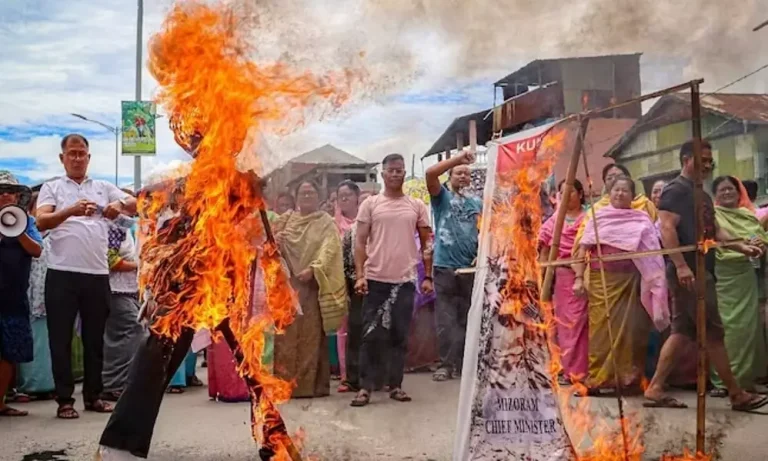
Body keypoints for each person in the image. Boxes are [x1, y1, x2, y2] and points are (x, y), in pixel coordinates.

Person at [643, 140, 768, 412]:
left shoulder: (700, 193)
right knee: (713, 333)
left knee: (681, 332)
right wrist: (681, 266)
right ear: (687, 160)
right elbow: (666, 229)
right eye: (703, 160)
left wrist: (740, 245)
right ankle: (736, 394)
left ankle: (654, 388)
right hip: (691, 273)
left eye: (711, 161)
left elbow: (711, 232)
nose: (709, 166)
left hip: (701, 270)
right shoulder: (676, 191)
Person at [36, 134, 137, 419]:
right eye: (72, 153)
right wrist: (71, 210)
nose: (77, 158)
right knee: (61, 339)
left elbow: (135, 205)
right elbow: (41, 220)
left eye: (82, 153)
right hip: (62, 274)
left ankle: (94, 396)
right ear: (62, 158)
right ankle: (65, 400)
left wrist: (121, 205)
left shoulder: (103, 187)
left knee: (95, 339)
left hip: (96, 274)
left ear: (89, 158)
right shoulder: (52, 187)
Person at [572, 176, 669, 393]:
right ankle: (598, 378)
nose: (619, 194)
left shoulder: (641, 220)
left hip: (631, 282)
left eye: (625, 190)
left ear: (632, 196)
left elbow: (652, 255)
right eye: (616, 190)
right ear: (609, 193)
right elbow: (582, 251)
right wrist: (578, 278)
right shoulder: (598, 218)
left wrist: (655, 281)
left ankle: (628, 379)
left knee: (631, 332)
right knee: (601, 331)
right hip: (602, 282)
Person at [351, 153, 433, 407]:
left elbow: (427, 243)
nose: (396, 174)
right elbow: (360, 242)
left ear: (404, 173)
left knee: (399, 335)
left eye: (400, 170)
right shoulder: (371, 204)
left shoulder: (416, 205)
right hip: (375, 278)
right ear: (383, 173)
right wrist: (361, 275)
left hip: (405, 280)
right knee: (370, 334)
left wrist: (427, 276)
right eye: (391, 170)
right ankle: (365, 388)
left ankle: (395, 385)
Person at [271, 180, 347, 398]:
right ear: (295, 197)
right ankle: (283, 386)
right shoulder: (285, 221)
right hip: (287, 288)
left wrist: (314, 269)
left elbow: (330, 249)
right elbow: (268, 247)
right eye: (303, 193)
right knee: (285, 336)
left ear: (318, 196)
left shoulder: (325, 222)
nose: (307, 196)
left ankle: (310, 387)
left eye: (311, 192)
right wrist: (276, 241)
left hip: (312, 287)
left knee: (310, 336)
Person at [424, 150, 482, 382]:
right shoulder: (442, 197)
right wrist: (459, 158)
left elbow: (486, 230)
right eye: (458, 173)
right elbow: (430, 173)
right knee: (446, 320)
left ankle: (465, 365)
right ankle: (446, 365)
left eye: (467, 174)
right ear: (449, 176)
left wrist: (482, 254)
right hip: (445, 267)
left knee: (469, 318)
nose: (463, 176)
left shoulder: (477, 202)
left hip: (471, 269)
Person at [708, 175, 768, 396]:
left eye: (731, 190)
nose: (727, 193)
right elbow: (715, 242)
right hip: (724, 278)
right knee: (728, 328)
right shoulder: (713, 216)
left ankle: (746, 379)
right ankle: (723, 381)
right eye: (722, 190)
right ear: (716, 195)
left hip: (747, 276)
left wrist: (761, 245)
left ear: (739, 192)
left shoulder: (747, 216)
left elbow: (762, 239)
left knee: (749, 329)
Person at [0, 171, 43, 417]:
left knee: (10, 352)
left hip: (14, 295)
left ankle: (1, 403)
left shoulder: (27, 221)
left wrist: (17, 230)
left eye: (9, 191)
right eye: (0, 191)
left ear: (17, 196)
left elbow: (36, 250)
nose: (5, 195)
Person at [539, 179, 588, 385]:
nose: (568, 196)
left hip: (587, 275)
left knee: (585, 324)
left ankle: (585, 370)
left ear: (580, 194)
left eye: (572, 192)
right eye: (562, 193)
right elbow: (543, 252)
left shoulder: (589, 218)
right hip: (562, 277)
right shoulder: (553, 221)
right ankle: (570, 371)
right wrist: (541, 281)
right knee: (567, 325)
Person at [101, 198, 146, 402]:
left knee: (134, 331)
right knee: (129, 328)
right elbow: (111, 260)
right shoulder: (113, 227)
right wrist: (139, 265)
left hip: (129, 289)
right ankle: (113, 384)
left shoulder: (126, 228)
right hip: (115, 289)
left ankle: (122, 382)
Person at [17, 192, 55, 400]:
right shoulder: (25, 228)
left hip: (49, 292)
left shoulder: (55, 233)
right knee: (33, 338)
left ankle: (47, 384)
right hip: (30, 293)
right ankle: (29, 385)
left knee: (47, 340)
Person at [335, 180, 363, 393]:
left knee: (367, 328)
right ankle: (347, 375)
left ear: (357, 197)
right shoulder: (333, 223)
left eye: (347, 195)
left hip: (365, 279)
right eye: (340, 196)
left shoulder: (367, 220)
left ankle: (369, 374)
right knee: (344, 329)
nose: (344, 199)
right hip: (340, 280)